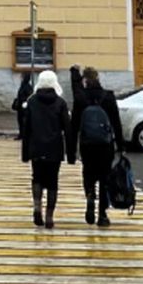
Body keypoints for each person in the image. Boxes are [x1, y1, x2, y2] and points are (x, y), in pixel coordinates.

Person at [68, 66, 124, 228]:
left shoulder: (81, 98)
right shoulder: (108, 97)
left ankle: (90, 196)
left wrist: (71, 151)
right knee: (105, 177)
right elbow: (116, 123)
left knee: (88, 173)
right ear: (98, 78)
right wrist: (120, 145)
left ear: (85, 80)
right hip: (106, 144)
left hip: (87, 144)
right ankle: (103, 215)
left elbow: (74, 126)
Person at [22, 70, 72, 227]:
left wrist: (25, 153)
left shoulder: (32, 102)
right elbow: (68, 129)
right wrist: (71, 154)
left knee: (36, 178)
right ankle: (49, 216)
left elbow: (26, 129)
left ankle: (37, 207)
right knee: (52, 182)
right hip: (54, 149)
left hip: (36, 147)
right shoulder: (60, 103)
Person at [12, 72, 34, 140]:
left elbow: (29, 97)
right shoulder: (23, 85)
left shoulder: (27, 87)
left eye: (21, 77)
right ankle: (21, 134)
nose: (20, 78)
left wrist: (21, 100)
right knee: (20, 121)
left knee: (24, 122)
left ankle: (24, 135)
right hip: (20, 107)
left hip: (24, 107)